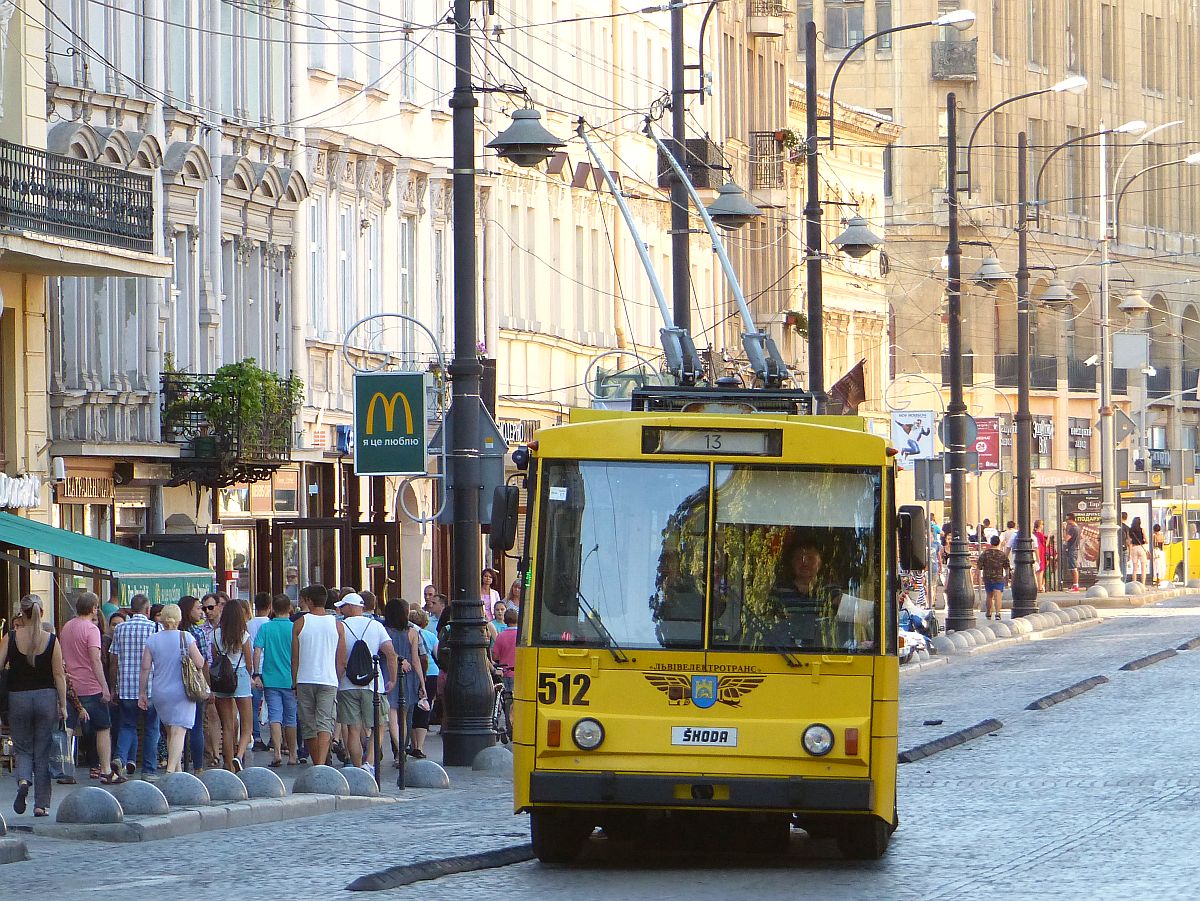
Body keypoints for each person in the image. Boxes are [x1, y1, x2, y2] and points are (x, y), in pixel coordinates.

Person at [0, 595, 67, 817]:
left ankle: (23, 780)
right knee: (43, 751)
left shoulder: (10, 637)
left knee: (23, 748)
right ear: (42, 612)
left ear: (22, 613)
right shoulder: (51, 639)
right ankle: (41, 805)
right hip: (46, 698)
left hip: (18, 698)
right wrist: (63, 705)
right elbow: (59, 675)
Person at [60, 592, 121, 784]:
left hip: (70, 685)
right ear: (94, 608)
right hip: (90, 685)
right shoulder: (92, 629)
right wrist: (104, 686)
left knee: (68, 729)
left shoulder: (67, 627)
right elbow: (95, 659)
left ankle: (66, 770)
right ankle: (105, 769)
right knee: (103, 728)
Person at [335, 593, 397, 777]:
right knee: (377, 725)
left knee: (352, 728)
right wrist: (392, 679)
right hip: (372, 684)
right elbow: (391, 654)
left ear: (352, 607)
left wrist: (336, 680)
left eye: (344, 606)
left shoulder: (341, 627)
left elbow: (338, 658)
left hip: (347, 684)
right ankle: (369, 763)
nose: (341, 609)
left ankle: (356, 766)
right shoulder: (376, 626)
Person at [139, 604, 206, 775]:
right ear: (179, 619)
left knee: (170, 731)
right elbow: (199, 663)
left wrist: (142, 693)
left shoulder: (153, 639)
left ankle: (177, 772)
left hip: (160, 690)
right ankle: (170, 772)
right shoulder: (186, 637)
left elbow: (145, 667)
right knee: (179, 731)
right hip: (182, 690)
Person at [292, 584, 346, 768]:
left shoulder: (300, 623)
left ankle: (317, 764)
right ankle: (322, 763)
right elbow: (341, 659)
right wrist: (336, 678)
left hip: (305, 678)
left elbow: (295, 657)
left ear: (308, 600)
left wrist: (294, 682)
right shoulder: (337, 625)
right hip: (328, 679)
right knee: (325, 723)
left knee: (308, 724)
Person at [110, 593, 161, 777]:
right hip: (150, 687)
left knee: (127, 726)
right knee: (151, 728)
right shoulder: (155, 627)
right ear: (148, 610)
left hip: (126, 687)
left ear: (131, 609)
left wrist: (113, 686)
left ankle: (120, 758)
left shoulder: (120, 629)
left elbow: (114, 660)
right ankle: (149, 769)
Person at [253, 594, 299, 767]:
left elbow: (257, 650)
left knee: (275, 717)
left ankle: (277, 753)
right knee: (291, 718)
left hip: (271, 679)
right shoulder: (294, 628)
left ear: (273, 608)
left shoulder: (266, 628)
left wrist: (256, 673)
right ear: (289, 609)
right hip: (291, 679)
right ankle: (293, 754)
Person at [213, 598, 254, 771]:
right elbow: (249, 662)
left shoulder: (215, 633)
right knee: (246, 724)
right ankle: (240, 754)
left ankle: (229, 764)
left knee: (227, 726)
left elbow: (215, 657)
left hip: (222, 679)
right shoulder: (243, 634)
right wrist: (251, 675)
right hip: (241, 675)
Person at [383, 598, 424, 768]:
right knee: (404, 717)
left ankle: (399, 751)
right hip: (409, 677)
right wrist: (422, 682)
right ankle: (402, 750)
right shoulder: (412, 632)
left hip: (389, 674)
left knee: (392, 716)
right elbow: (416, 660)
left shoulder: (384, 630)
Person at [177, 595, 209, 773]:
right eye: (198, 608)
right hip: (194, 685)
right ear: (189, 611)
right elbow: (203, 662)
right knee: (196, 727)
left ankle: (176, 764)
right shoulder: (197, 633)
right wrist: (207, 686)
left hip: (175, 685)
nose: (201, 611)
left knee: (177, 727)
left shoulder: (172, 633)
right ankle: (198, 767)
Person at [199, 592, 225, 766]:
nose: (207, 611)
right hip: (208, 674)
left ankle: (232, 750)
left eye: (210, 607)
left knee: (231, 718)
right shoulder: (202, 630)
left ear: (219, 606)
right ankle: (213, 754)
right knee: (211, 714)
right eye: (204, 608)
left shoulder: (228, 627)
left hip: (227, 675)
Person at [408, 607, 437, 757]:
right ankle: (420, 746)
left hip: (414, 673)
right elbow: (436, 654)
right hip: (432, 673)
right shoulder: (430, 635)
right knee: (425, 708)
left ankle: (413, 744)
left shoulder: (409, 633)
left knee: (412, 708)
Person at [247, 592, 272, 752]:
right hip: (271, 669)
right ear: (269, 607)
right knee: (274, 705)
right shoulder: (270, 624)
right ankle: (276, 739)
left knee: (254, 706)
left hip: (254, 670)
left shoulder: (248, 624)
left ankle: (256, 736)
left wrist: (254, 672)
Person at [975, 535, 1011, 621]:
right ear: (998, 543)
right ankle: (998, 613)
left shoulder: (985, 554)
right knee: (998, 594)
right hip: (998, 577)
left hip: (987, 577)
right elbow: (1007, 567)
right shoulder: (1002, 554)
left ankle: (988, 612)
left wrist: (977, 576)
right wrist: (1007, 578)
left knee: (989, 595)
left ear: (990, 543)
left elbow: (978, 566)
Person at [490, 607, 519, 692]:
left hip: (506, 672)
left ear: (505, 620)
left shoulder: (501, 636)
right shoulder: (521, 636)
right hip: (519, 672)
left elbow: (495, 656)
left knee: (507, 697)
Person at [1062, 513, 1082, 592]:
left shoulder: (1072, 528)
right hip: (1074, 548)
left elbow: (1066, 538)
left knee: (1073, 568)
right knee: (1072, 567)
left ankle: (1076, 585)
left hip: (1072, 549)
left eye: (1067, 519)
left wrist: (1064, 529)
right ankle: (1074, 585)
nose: (1066, 521)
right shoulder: (1077, 527)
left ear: (1071, 519)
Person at [1129, 516, 1149, 585]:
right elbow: (1147, 541)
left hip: (1134, 548)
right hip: (1141, 548)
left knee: (1134, 568)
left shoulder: (1130, 530)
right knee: (1143, 568)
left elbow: (1129, 541)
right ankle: (1143, 584)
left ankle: (1134, 584)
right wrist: (1142, 540)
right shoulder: (1142, 529)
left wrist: (1130, 552)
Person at [1033, 520, 1049, 592]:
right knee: (1041, 570)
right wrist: (1048, 537)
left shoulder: (1034, 534)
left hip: (1036, 553)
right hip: (1041, 552)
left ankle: (1036, 586)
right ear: (1040, 526)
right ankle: (1040, 587)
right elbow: (1045, 544)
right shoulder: (1040, 534)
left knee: (1036, 571)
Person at [1119, 511, 1131, 581]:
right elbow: (1128, 541)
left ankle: (1119, 580)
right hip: (1125, 549)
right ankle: (1124, 581)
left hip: (1118, 549)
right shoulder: (1127, 528)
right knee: (1124, 566)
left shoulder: (1117, 526)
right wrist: (1130, 553)